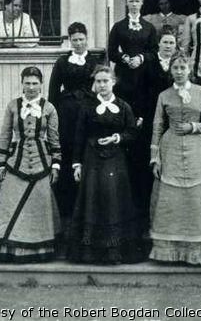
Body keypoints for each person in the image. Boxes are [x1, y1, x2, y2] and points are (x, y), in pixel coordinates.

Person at [0, 66, 61, 262]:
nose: (31, 87)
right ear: (22, 84)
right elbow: (5, 135)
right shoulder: (12, 106)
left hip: (42, 164)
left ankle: (38, 251)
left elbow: (54, 139)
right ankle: (7, 249)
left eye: (35, 83)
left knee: (38, 208)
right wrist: (2, 163)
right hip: (16, 163)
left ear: (41, 85)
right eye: (27, 83)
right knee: (9, 205)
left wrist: (55, 165)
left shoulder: (49, 108)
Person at [149, 53, 201, 265]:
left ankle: (198, 251)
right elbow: (157, 126)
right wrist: (155, 158)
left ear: (189, 69)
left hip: (196, 148)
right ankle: (168, 251)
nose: (179, 72)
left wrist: (194, 127)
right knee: (171, 197)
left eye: (183, 68)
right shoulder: (164, 95)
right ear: (170, 70)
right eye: (175, 68)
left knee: (197, 197)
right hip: (170, 148)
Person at [68, 65, 143, 264]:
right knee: (92, 200)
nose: (102, 85)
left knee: (113, 200)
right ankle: (90, 251)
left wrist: (117, 138)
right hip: (92, 160)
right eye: (98, 81)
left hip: (115, 160)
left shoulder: (123, 106)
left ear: (113, 82)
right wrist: (77, 164)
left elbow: (132, 132)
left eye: (105, 81)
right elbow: (79, 136)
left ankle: (114, 250)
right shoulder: (87, 106)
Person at [48, 22, 104, 223]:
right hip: (67, 114)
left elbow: (103, 86)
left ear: (87, 39)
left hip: (89, 111)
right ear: (70, 41)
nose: (78, 43)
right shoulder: (62, 62)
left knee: (87, 151)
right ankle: (67, 209)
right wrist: (53, 117)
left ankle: (89, 209)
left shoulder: (96, 61)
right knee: (69, 152)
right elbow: (53, 92)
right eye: (75, 40)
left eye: (81, 39)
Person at [138, 27, 177, 215]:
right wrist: (140, 115)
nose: (168, 46)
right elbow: (140, 91)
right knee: (151, 157)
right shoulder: (149, 63)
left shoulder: (178, 64)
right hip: (151, 115)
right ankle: (149, 206)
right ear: (158, 44)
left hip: (173, 117)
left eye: (171, 43)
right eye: (165, 42)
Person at [107, 0, 158, 118]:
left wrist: (141, 58)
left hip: (144, 73)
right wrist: (124, 58)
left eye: (137, 1)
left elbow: (154, 51)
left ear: (142, 3)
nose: (134, 4)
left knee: (143, 107)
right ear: (126, 3)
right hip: (124, 74)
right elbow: (111, 51)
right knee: (124, 106)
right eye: (131, 1)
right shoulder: (118, 26)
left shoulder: (149, 27)